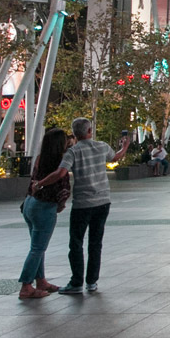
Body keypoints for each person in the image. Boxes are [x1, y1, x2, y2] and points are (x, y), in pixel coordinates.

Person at [58, 118, 133, 293]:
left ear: (75, 134)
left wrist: (42, 183)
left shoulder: (73, 152)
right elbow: (116, 157)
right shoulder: (102, 146)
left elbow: (62, 172)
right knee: (95, 242)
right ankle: (91, 281)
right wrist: (125, 146)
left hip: (82, 204)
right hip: (102, 202)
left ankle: (76, 282)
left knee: (76, 242)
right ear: (89, 131)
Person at [18, 127, 71, 300]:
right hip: (44, 206)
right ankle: (26, 286)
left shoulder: (40, 159)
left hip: (30, 204)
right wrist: (61, 204)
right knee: (38, 248)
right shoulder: (61, 162)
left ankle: (41, 281)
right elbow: (62, 185)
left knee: (37, 246)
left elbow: (33, 179)